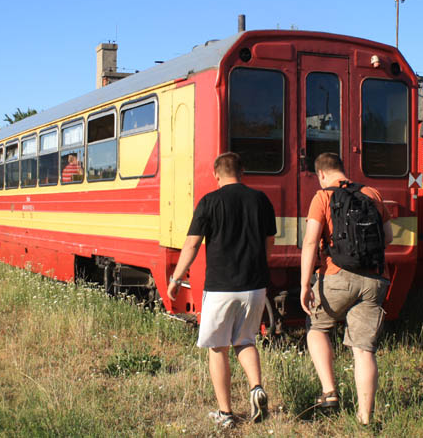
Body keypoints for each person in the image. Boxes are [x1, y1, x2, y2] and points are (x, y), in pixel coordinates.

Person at [167, 152, 276, 429]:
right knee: (246, 340)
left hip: (221, 287)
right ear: (243, 171)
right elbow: (269, 243)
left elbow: (191, 245)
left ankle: (225, 413)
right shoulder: (261, 200)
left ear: (216, 174)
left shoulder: (209, 201)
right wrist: (259, 271)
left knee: (218, 348)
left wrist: (177, 278)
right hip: (255, 286)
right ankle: (256, 388)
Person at [299, 152, 392, 426]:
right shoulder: (372, 193)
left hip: (337, 276)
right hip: (375, 279)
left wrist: (306, 284)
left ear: (321, 175)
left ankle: (330, 392)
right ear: (342, 169)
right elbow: (387, 237)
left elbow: (310, 242)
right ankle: (365, 418)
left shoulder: (323, 197)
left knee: (317, 328)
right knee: (364, 349)